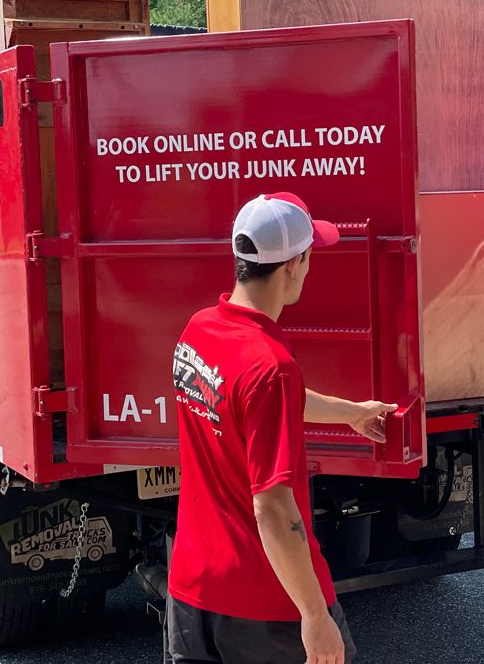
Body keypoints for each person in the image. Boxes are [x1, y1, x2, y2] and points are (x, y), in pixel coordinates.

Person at [168, 191, 395, 664]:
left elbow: (254, 403)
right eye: (311, 256)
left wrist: (351, 411)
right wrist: (314, 616)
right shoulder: (270, 366)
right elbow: (271, 505)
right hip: (267, 606)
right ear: (294, 263)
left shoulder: (199, 331)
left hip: (192, 590)